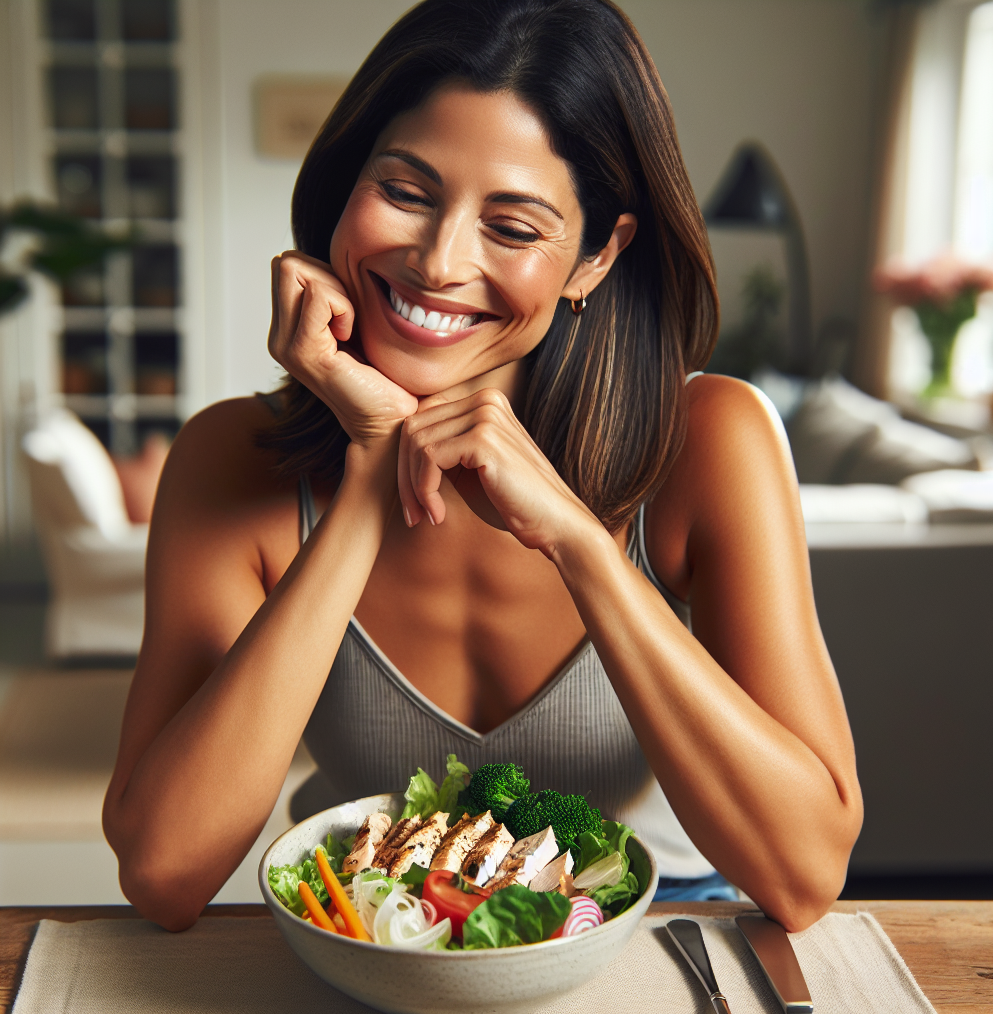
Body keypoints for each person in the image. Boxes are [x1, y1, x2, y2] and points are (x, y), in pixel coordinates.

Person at [103, 0, 862, 932]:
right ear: (346, 188)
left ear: (596, 256)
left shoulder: (713, 440)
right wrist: (370, 480)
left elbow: (805, 875)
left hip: (636, 936)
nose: (437, 261)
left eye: (512, 225)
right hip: (358, 935)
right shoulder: (232, 460)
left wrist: (581, 544)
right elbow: (164, 872)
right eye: (408, 191)